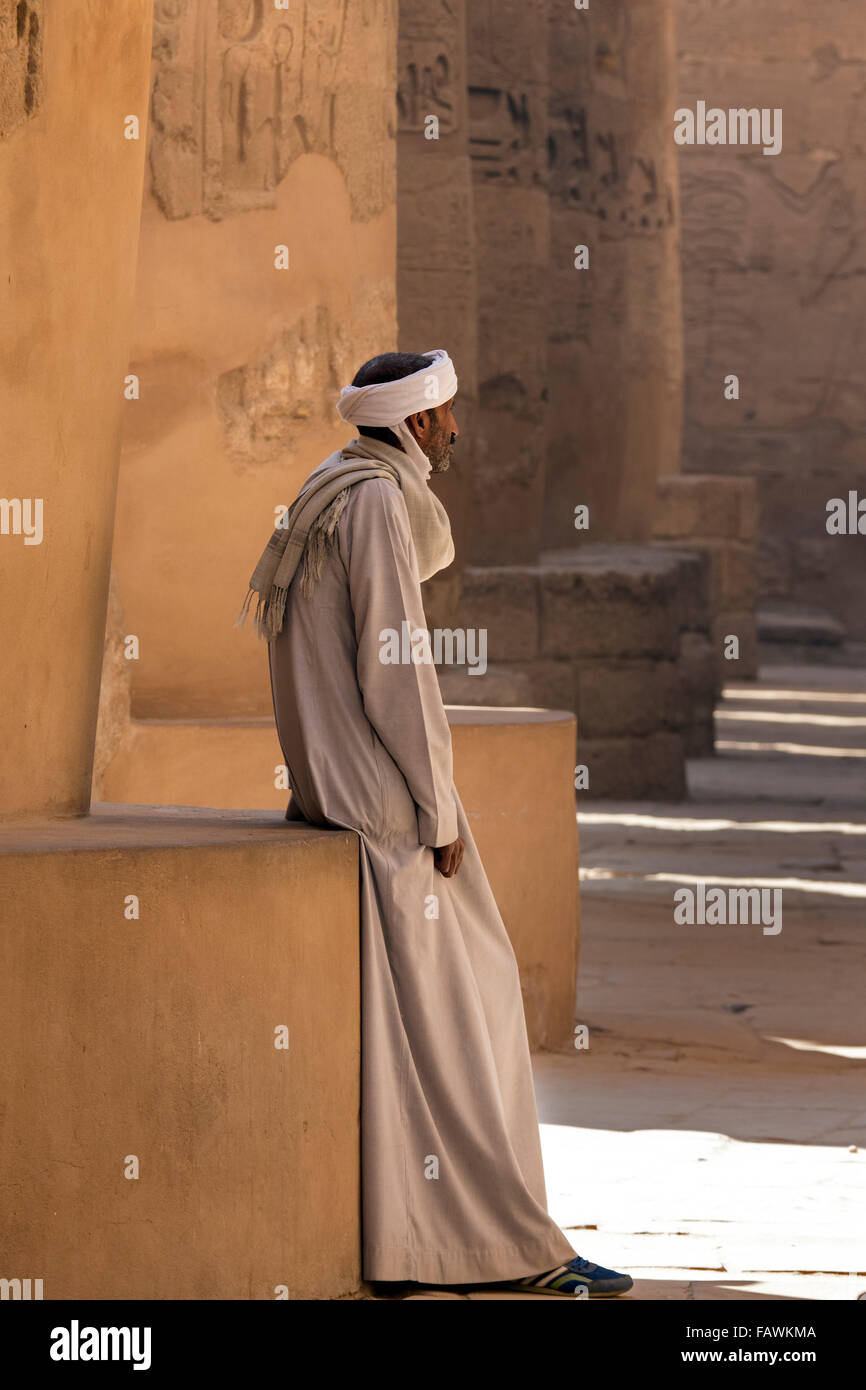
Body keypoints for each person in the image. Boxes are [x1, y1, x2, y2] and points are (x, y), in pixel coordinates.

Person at [239, 349, 633, 1298]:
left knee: (423, 1025)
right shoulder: (373, 502)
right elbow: (399, 673)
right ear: (416, 425)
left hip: (338, 788)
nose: (456, 431)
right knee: (474, 1015)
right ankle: (508, 1247)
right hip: (382, 801)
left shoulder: (329, 487)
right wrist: (438, 807)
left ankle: (424, 1247)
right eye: (446, 416)